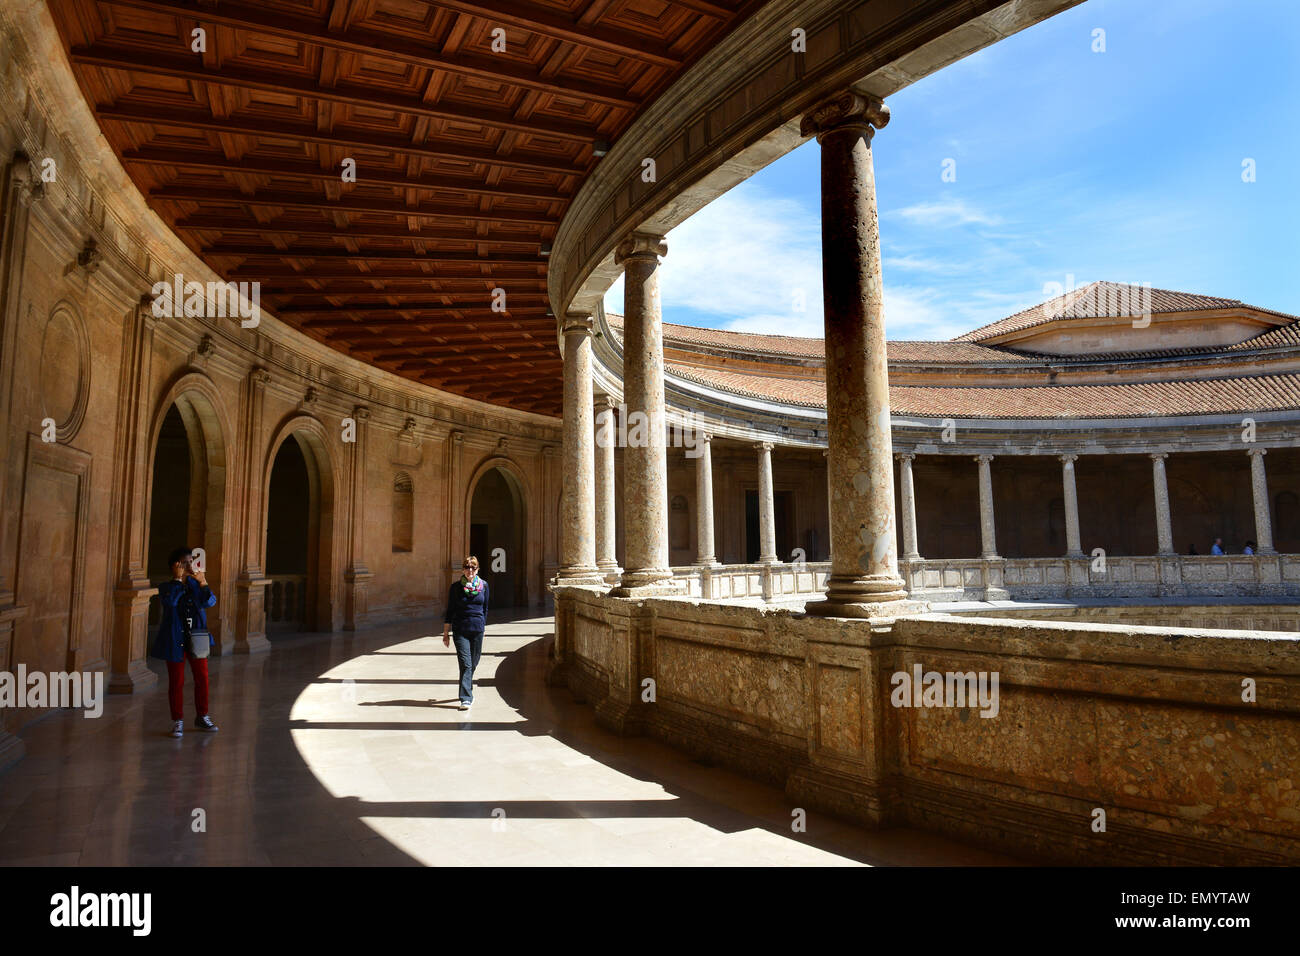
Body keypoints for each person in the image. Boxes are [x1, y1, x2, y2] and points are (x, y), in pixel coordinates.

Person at [151, 546, 219, 737]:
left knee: (202, 678)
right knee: (176, 681)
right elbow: (171, 602)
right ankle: (178, 720)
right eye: (186, 562)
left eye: (192, 561)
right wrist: (177, 581)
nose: (190, 565)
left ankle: (202, 716)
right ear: (176, 565)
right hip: (175, 638)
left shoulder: (197, 584)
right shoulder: (167, 586)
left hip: (197, 637)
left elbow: (210, 602)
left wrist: (204, 582)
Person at [443, 555, 489, 711]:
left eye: (473, 567)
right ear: (463, 569)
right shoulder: (455, 588)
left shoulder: (484, 586)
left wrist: (483, 625)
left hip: (477, 629)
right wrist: (445, 633)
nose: (470, 570)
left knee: (473, 664)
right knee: (466, 664)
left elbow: (485, 608)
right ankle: (466, 698)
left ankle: (467, 688)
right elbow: (450, 610)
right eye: (467, 567)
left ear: (477, 569)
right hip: (460, 629)